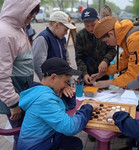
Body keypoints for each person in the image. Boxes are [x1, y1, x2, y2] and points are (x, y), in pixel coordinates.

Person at [17, 57, 99, 150]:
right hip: (36, 146)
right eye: (65, 82)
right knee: (74, 144)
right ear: (53, 77)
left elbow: (68, 106)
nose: (66, 85)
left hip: (46, 139)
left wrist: (67, 94)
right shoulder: (45, 99)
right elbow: (70, 128)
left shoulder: (43, 91)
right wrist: (88, 108)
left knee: (75, 143)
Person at [0, 0, 40, 149]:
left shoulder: (19, 28)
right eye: (30, 11)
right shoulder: (4, 33)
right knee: (21, 135)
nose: (33, 15)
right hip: (14, 96)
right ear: (18, 8)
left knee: (25, 133)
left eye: (34, 12)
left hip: (22, 92)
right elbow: (1, 74)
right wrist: (12, 103)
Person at [75, 8, 116, 85]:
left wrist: (105, 61)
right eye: (87, 26)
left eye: (93, 25)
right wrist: (84, 73)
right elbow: (79, 57)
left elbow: (112, 49)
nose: (90, 28)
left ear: (98, 19)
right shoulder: (80, 36)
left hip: (103, 75)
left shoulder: (105, 32)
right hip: (86, 76)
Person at [32, 10, 76, 81]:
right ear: (56, 25)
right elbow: (39, 66)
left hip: (61, 82)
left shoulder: (62, 39)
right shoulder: (43, 39)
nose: (66, 33)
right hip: (52, 85)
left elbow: (67, 60)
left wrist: (70, 80)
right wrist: (51, 84)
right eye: (65, 30)